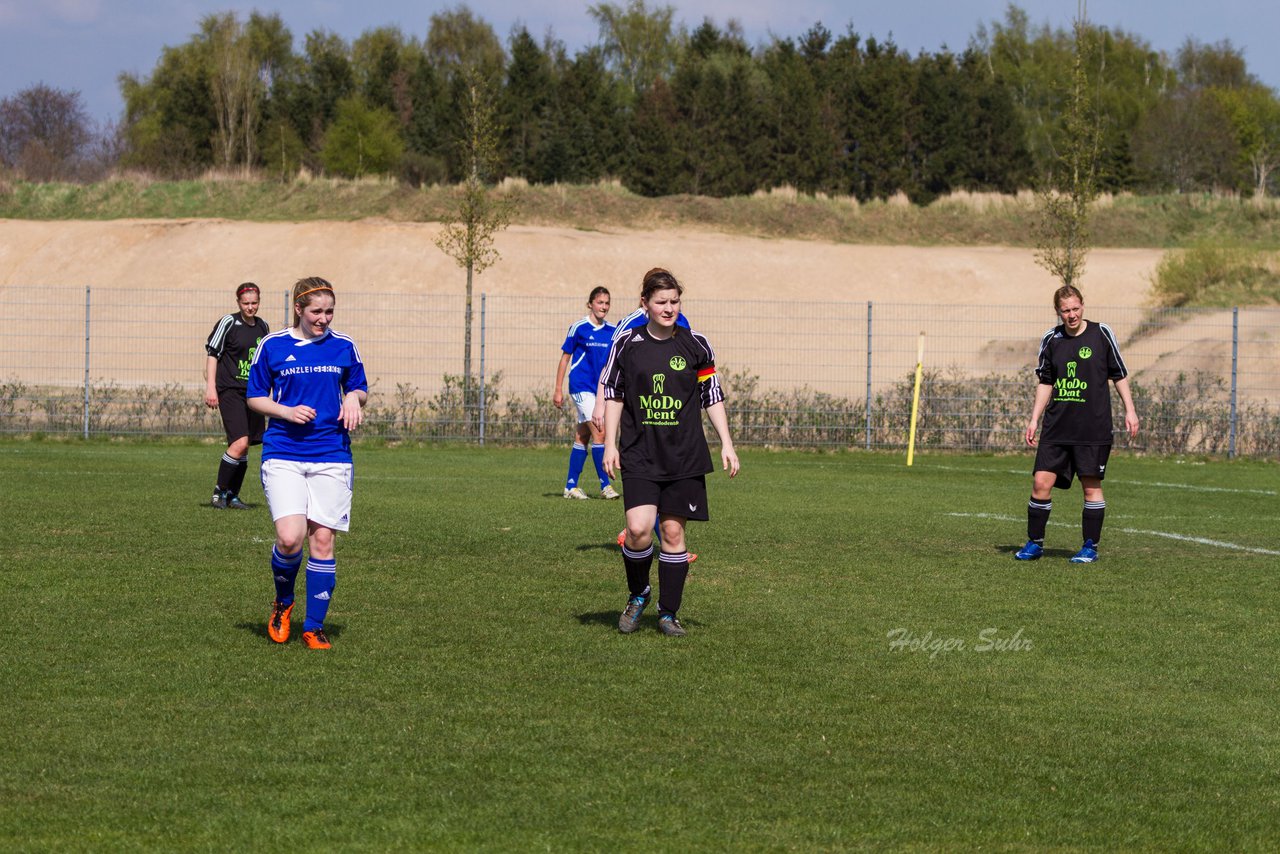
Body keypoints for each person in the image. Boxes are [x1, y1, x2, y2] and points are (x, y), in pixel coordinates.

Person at [602, 268, 738, 636]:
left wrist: (726, 442)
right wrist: (610, 444)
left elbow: (712, 395)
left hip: (684, 456)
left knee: (674, 534)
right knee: (638, 529)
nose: (669, 308)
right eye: (661, 302)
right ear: (644, 303)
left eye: (674, 301)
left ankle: (668, 613)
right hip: (640, 453)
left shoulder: (696, 344)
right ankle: (639, 592)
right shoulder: (628, 344)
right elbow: (613, 394)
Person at [247, 277, 368, 650]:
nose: (323, 319)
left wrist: (353, 400)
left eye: (329, 311)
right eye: (316, 311)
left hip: (332, 455)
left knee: (322, 540)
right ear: (298, 309)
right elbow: (254, 397)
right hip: (283, 453)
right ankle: (283, 603)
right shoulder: (273, 345)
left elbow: (360, 387)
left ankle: (313, 627)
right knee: (289, 537)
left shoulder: (344, 346)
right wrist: (285, 410)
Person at [1016, 285, 1139, 564]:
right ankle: (1034, 544)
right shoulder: (1052, 339)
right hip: (1057, 427)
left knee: (1090, 486)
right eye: (1065, 310)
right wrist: (1034, 419)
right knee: (1040, 483)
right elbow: (1046, 382)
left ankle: (1089, 547)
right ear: (1057, 312)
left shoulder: (1101, 334)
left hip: (1092, 428)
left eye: (1075, 308)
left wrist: (1130, 411)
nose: (1071, 315)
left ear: (1082, 306)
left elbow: (1118, 375)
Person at [204, 282, 270, 509]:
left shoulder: (263, 326)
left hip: (253, 393)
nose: (251, 307)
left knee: (245, 444)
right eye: (246, 303)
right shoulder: (229, 322)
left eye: (254, 303)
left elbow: (264, 363)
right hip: (230, 389)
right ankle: (218, 491)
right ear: (238, 303)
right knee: (240, 442)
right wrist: (211, 387)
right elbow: (213, 354)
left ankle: (232, 495)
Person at [554, 287, 618, 500]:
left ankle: (570, 487)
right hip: (581, 387)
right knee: (600, 432)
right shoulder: (579, 328)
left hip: (600, 391)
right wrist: (557, 389)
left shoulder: (612, 331)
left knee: (583, 436)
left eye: (607, 303)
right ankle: (605, 485)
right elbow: (565, 358)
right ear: (590, 303)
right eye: (600, 302)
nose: (604, 307)